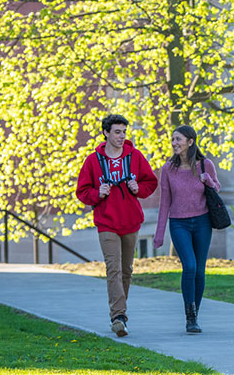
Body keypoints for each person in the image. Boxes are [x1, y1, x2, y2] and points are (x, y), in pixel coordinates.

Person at [76, 114, 158, 337]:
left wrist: (137, 189)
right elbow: (82, 192)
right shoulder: (93, 161)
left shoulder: (135, 157)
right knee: (113, 268)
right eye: (117, 132)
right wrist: (97, 193)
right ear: (106, 133)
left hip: (131, 221)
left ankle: (120, 312)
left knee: (126, 270)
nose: (122, 136)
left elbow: (150, 182)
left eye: (124, 132)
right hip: (106, 222)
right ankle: (118, 316)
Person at [153, 125, 221, 333]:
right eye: (173, 139)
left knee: (200, 271)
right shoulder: (168, 169)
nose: (174, 143)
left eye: (178, 139)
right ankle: (189, 316)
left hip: (202, 222)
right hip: (179, 223)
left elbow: (216, 188)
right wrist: (159, 234)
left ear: (190, 141)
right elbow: (165, 202)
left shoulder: (205, 165)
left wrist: (208, 181)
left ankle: (195, 316)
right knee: (189, 266)